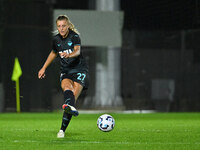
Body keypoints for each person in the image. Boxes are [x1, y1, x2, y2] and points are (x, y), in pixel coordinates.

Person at [38, 15, 89, 138]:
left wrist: (69, 55)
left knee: (71, 100)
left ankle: (62, 129)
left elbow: (77, 51)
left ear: (68, 26)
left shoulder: (74, 36)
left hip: (79, 70)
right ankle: (62, 130)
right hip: (66, 71)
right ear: (57, 27)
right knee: (67, 89)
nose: (61, 28)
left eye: (63, 26)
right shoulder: (56, 39)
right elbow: (53, 53)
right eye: (59, 26)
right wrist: (43, 68)